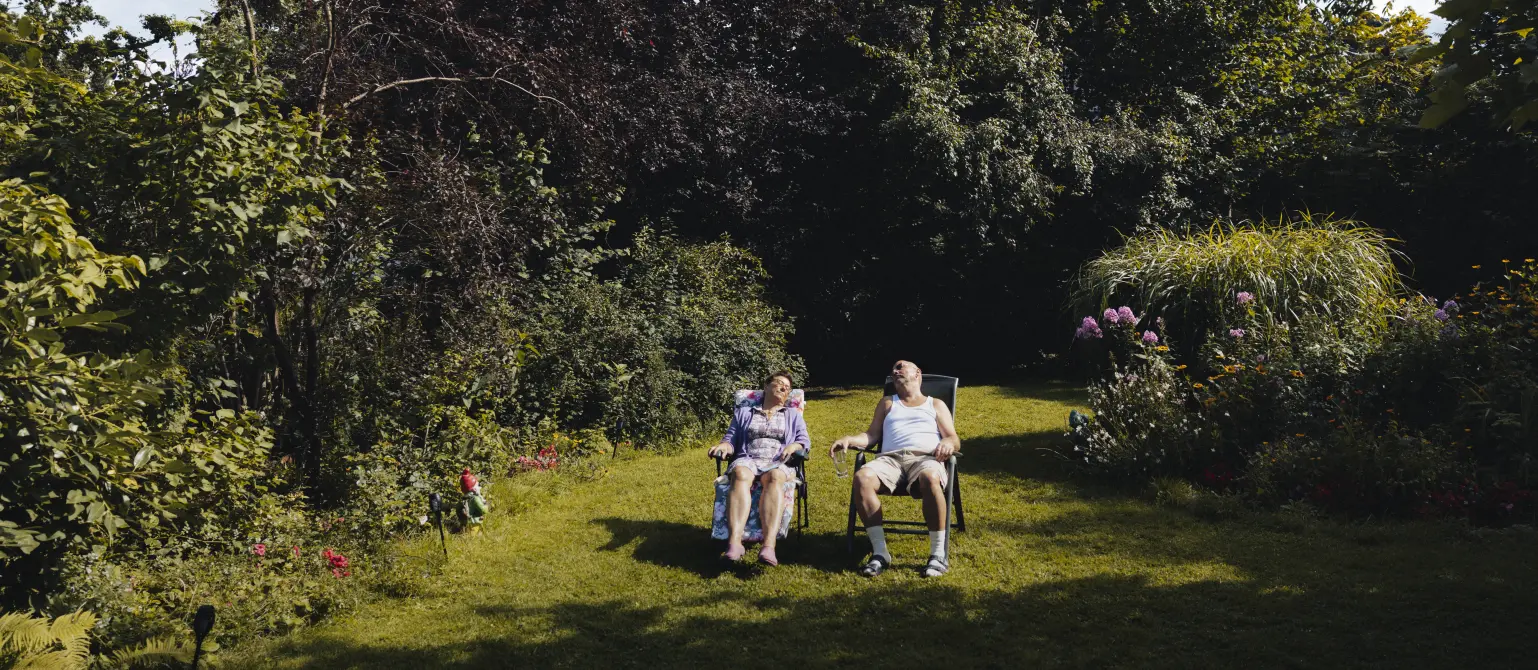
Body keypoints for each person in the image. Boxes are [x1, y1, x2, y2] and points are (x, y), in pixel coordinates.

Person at [829, 360, 959, 577]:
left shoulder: (934, 404)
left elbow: (953, 437)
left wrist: (948, 443)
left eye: (900, 367)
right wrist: (849, 439)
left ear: (917, 373)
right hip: (890, 460)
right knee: (862, 477)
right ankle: (880, 553)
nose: (895, 371)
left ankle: (938, 554)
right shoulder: (888, 403)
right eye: (893, 369)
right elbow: (871, 436)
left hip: (925, 457)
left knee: (929, 476)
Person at [708, 371, 811, 565]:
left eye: (787, 388)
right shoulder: (745, 413)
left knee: (774, 477)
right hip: (748, 458)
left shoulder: (792, 415)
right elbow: (730, 440)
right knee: (739, 473)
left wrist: (794, 446)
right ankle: (735, 543)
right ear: (766, 386)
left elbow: (804, 442)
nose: (783, 388)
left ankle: (768, 546)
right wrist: (723, 446)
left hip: (779, 461)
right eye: (779, 383)